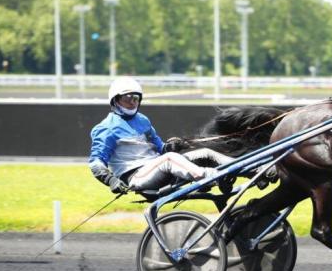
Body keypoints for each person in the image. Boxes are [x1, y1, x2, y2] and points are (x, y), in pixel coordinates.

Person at [89, 77, 236, 194]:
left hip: (158, 166)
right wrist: (111, 180)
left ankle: (251, 171)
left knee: (205, 153)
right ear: (115, 100)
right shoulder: (106, 128)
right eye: (127, 98)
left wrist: (172, 146)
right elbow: (96, 163)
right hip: (136, 177)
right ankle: (213, 177)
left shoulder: (142, 120)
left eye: (135, 98)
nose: (132, 102)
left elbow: (161, 149)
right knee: (169, 159)